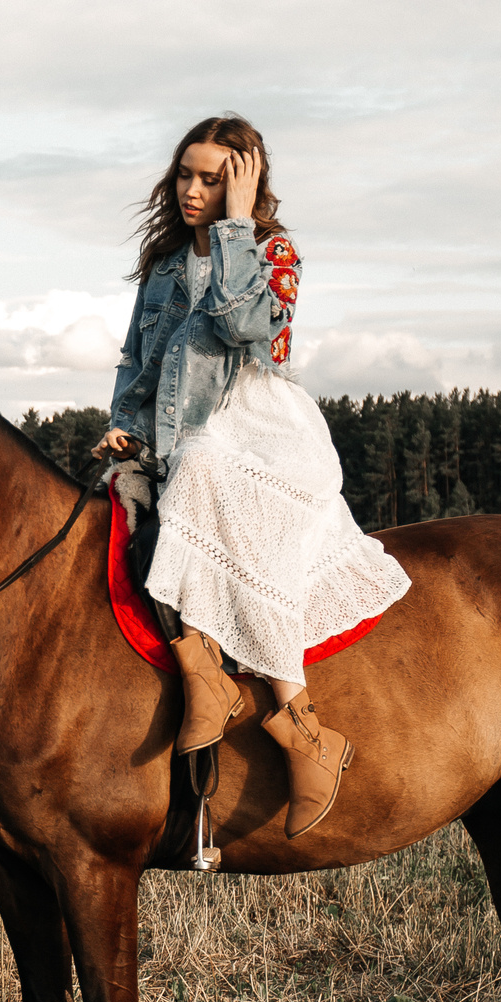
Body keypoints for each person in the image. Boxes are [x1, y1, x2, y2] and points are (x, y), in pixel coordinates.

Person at [96, 115, 410, 838]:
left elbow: (248, 330)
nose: (192, 191)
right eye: (186, 174)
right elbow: (135, 369)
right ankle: (200, 673)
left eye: (213, 177)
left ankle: (300, 725)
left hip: (265, 431)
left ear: (247, 180)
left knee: (205, 469)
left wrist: (238, 225)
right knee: (123, 515)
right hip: (181, 440)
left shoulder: (276, 252)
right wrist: (125, 427)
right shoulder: (165, 270)